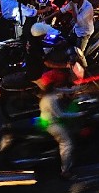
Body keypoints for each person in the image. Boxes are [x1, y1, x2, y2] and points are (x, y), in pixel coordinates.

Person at [33, 50, 82, 178]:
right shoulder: (50, 99)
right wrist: (78, 115)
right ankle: (65, 171)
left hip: (49, 119)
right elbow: (61, 115)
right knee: (67, 142)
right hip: (51, 124)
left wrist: (79, 88)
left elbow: (64, 90)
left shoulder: (49, 92)